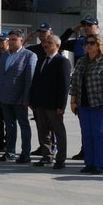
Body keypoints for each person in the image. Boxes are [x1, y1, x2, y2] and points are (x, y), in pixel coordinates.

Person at [61, 17, 103, 159]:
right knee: (86, 132)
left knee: (98, 133)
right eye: (84, 25)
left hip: (98, 99)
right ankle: (87, 156)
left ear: (97, 26)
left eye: (90, 25)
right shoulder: (79, 46)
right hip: (83, 97)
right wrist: (71, 30)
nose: (87, 27)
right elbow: (60, 43)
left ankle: (98, 162)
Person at [70, 35, 103, 174]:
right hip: (83, 104)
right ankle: (88, 163)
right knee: (87, 135)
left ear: (99, 45)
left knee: (99, 135)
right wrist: (73, 100)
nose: (88, 46)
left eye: (92, 43)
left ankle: (98, 164)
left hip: (99, 104)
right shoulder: (81, 62)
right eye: (86, 43)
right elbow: (75, 82)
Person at [0, 29, 37, 163]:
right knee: (9, 125)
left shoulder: (29, 55)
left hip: (20, 99)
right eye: (10, 40)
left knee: (24, 125)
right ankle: (10, 152)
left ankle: (25, 153)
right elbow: (0, 77)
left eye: (14, 40)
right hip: (5, 98)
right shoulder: (5, 55)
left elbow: (29, 79)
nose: (11, 42)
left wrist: (27, 98)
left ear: (21, 40)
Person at [30, 34, 71, 169]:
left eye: (49, 42)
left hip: (54, 105)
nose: (45, 44)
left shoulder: (62, 61)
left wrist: (61, 105)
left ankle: (61, 159)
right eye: (45, 42)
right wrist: (32, 100)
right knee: (43, 131)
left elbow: (64, 86)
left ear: (57, 46)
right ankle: (47, 156)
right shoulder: (41, 59)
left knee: (58, 131)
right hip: (40, 104)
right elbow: (35, 81)